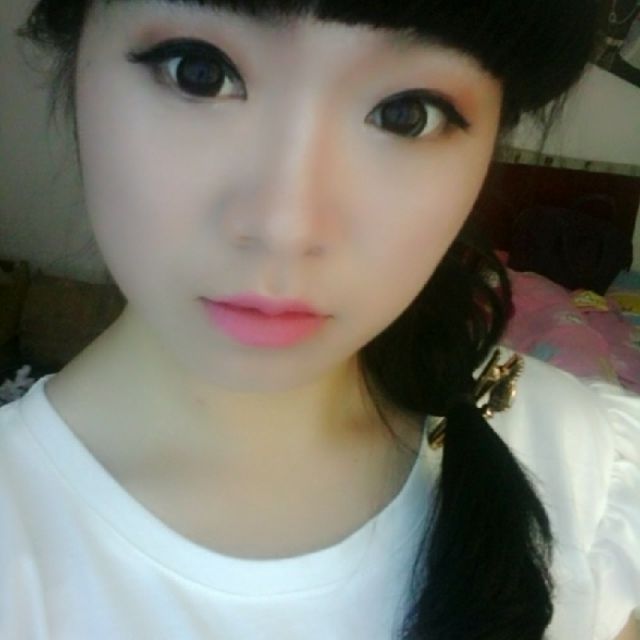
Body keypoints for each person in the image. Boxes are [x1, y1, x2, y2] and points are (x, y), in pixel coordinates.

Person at [1, 0, 639, 638]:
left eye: (406, 114)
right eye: (198, 71)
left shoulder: (579, 471)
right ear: (74, 61)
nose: (285, 227)